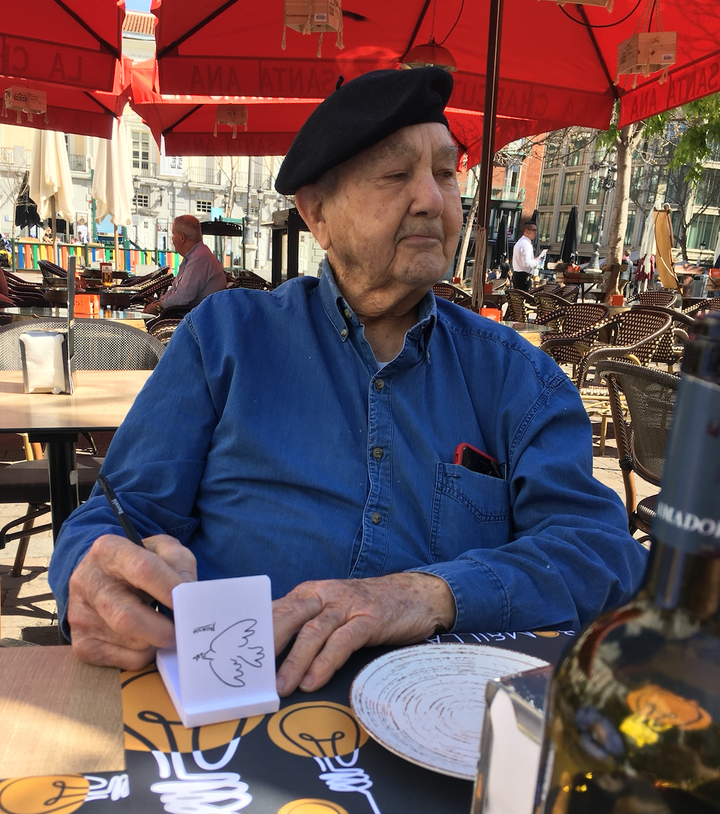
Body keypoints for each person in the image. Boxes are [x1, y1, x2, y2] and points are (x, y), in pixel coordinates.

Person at [49, 68, 645, 697]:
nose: (432, 200)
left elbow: (601, 554)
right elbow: (118, 516)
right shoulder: (224, 340)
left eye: (446, 174)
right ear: (317, 214)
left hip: (446, 721)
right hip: (233, 713)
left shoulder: (517, 377)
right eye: (394, 175)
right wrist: (88, 580)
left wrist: (431, 592)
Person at [144, 215, 226, 315]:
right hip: (192, 314)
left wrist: (158, 306)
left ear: (182, 237)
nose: (172, 239)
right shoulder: (193, 256)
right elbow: (175, 289)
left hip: (197, 319)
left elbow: (182, 298)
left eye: (173, 234)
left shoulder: (199, 258)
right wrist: (158, 303)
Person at [512, 222, 545, 291]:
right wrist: (538, 261)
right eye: (534, 230)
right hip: (523, 276)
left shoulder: (520, 242)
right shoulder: (526, 244)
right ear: (526, 231)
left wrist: (534, 260)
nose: (535, 232)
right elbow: (527, 263)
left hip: (518, 274)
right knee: (523, 298)